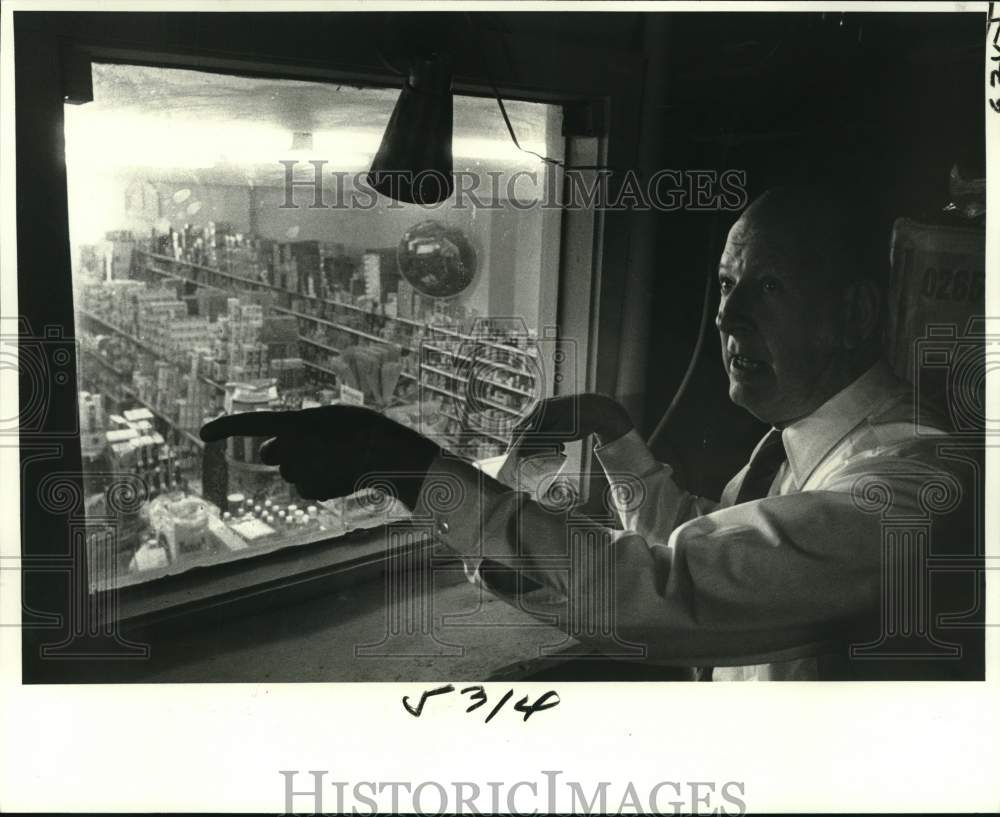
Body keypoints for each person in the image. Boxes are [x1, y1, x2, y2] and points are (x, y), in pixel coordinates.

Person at [201, 186, 981, 681]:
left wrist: (400, 463)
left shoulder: (916, 484)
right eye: (724, 284)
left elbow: (669, 591)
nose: (727, 315)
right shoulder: (796, 443)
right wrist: (616, 437)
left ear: (856, 316)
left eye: (768, 287)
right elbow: (712, 551)